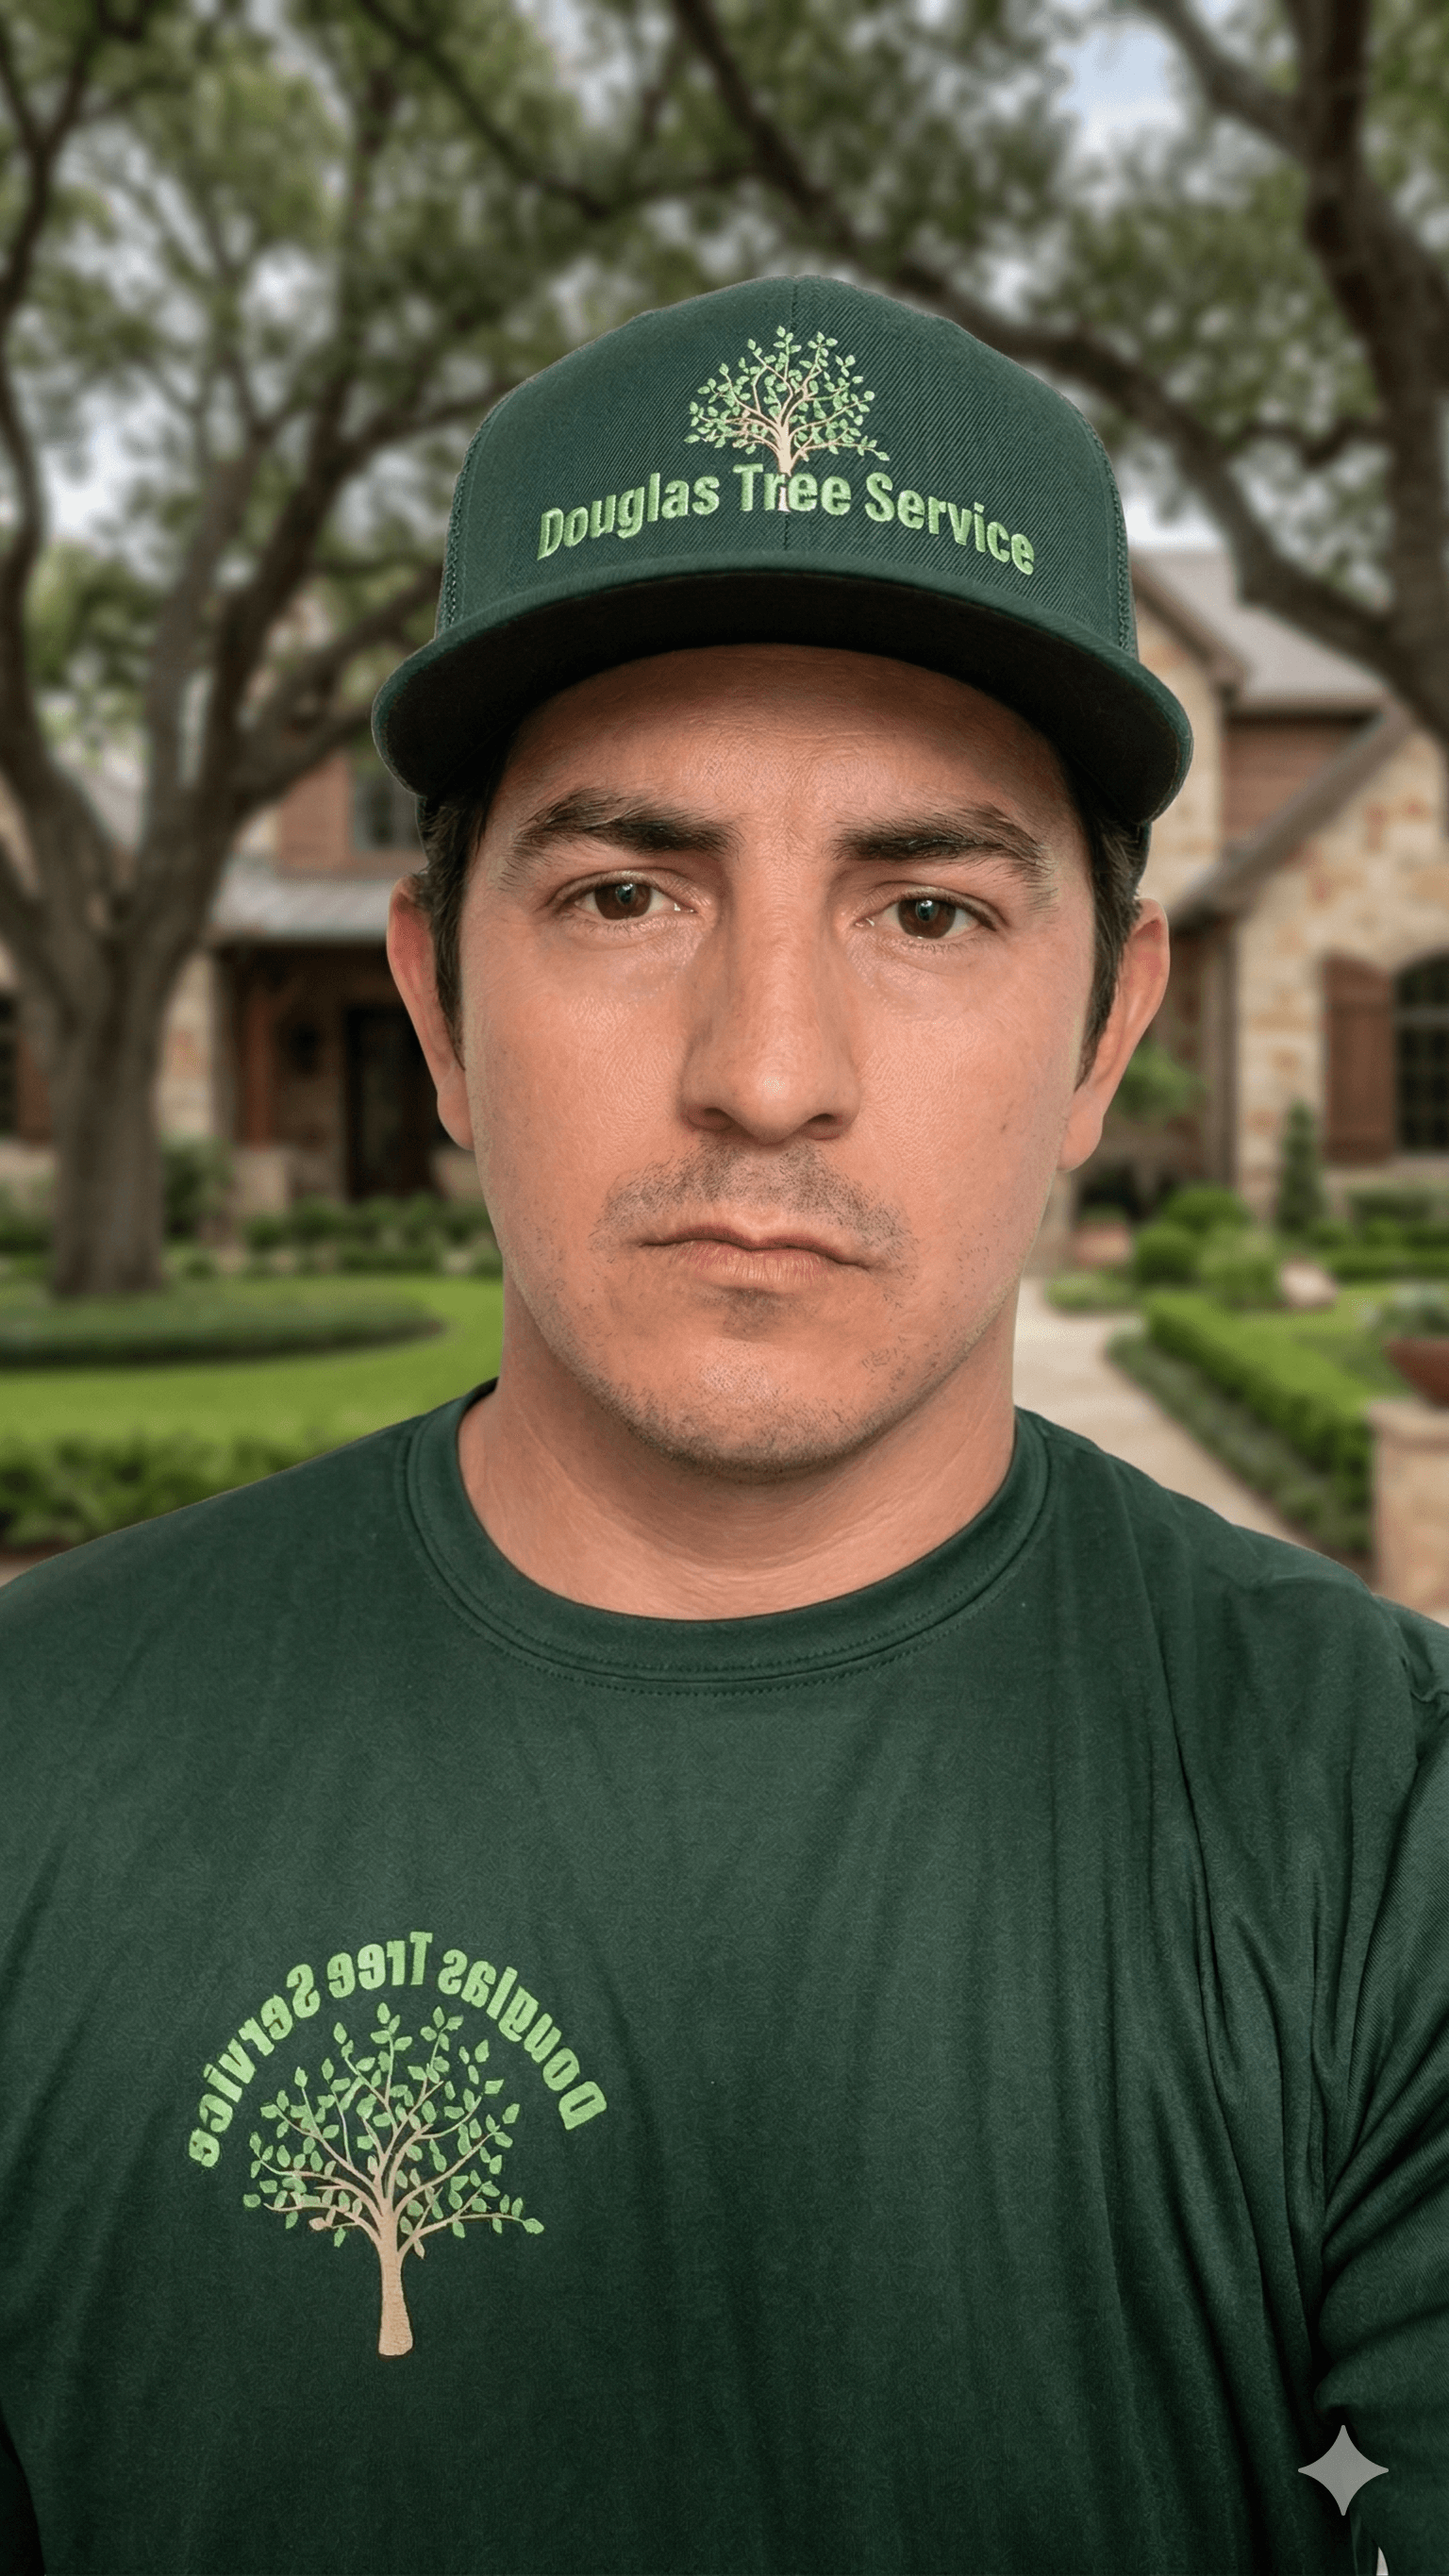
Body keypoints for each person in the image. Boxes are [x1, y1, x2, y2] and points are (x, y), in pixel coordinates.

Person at [0, 276, 1442, 2576]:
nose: (767, 1069)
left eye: (932, 907)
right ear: (437, 1004)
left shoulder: (1387, 1823)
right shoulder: (32, 1770)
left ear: (1106, 1031)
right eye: (623, 888)